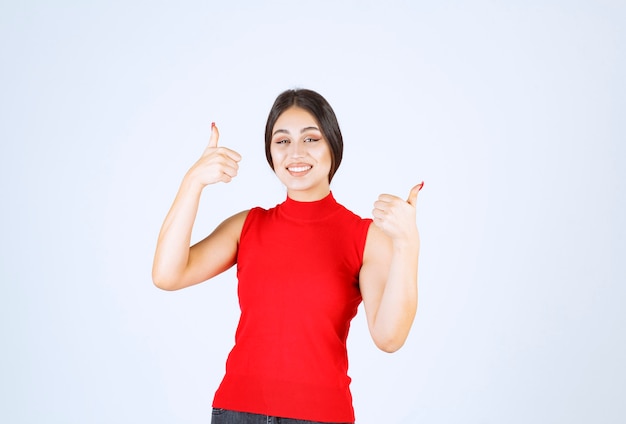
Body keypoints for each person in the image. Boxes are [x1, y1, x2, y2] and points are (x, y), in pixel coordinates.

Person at [152, 88, 423, 424]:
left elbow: (389, 337)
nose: (296, 152)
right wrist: (192, 183)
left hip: (321, 416)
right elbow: (167, 275)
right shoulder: (247, 226)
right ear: (270, 152)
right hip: (237, 412)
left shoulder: (366, 237)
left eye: (311, 139)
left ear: (333, 147)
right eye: (282, 141)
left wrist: (408, 243)